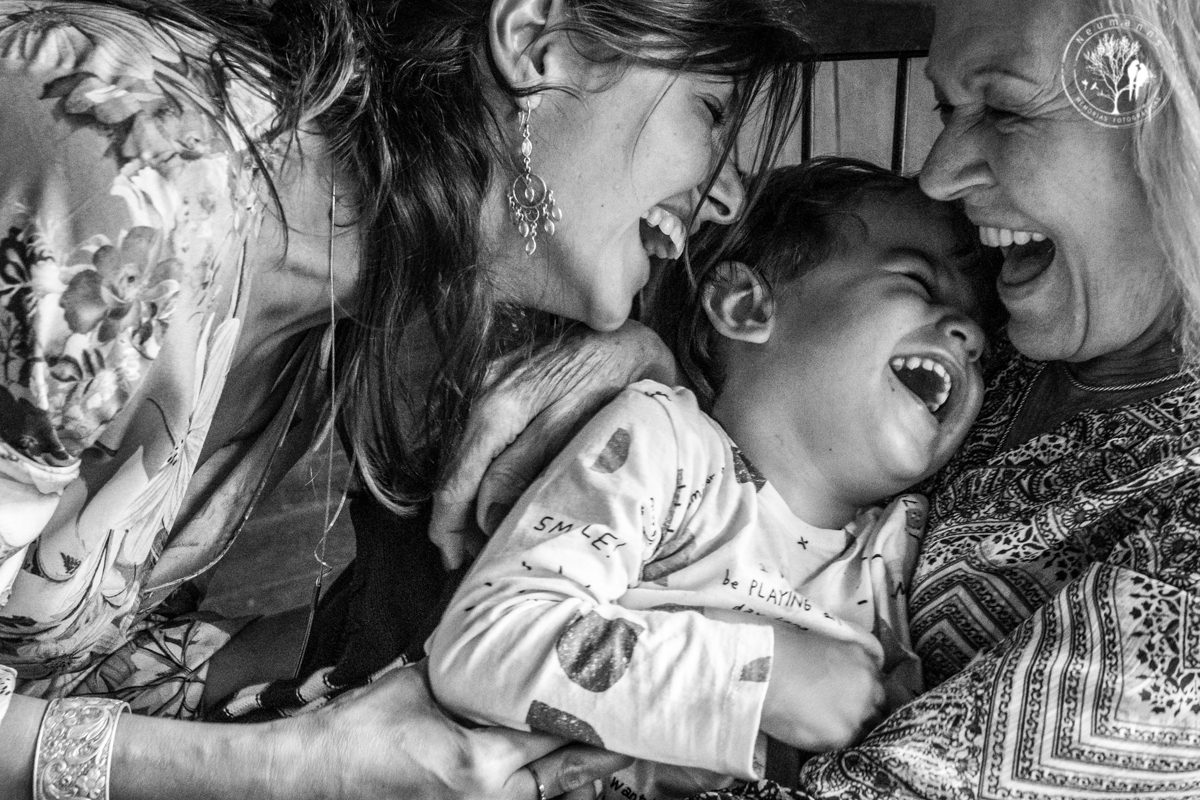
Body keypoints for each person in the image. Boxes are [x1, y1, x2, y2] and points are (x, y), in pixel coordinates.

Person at [0, 0, 816, 797]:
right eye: (710, 111)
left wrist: (640, 366)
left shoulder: (345, 284)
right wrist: (292, 767)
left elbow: (60, 671)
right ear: (536, 42)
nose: (727, 197)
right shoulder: (118, 178)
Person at [672, 0, 1200, 797]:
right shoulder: (1005, 323)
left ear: (1178, 132)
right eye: (947, 108)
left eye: (1005, 108)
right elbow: (785, 326)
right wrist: (650, 367)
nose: (938, 172)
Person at [426, 159, 990, 800]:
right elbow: (485, 641)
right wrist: (756, 683)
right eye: (918, 281)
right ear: (746, 305)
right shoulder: (665, 445)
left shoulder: (905, 545)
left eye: (982, 343)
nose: (967, 334)